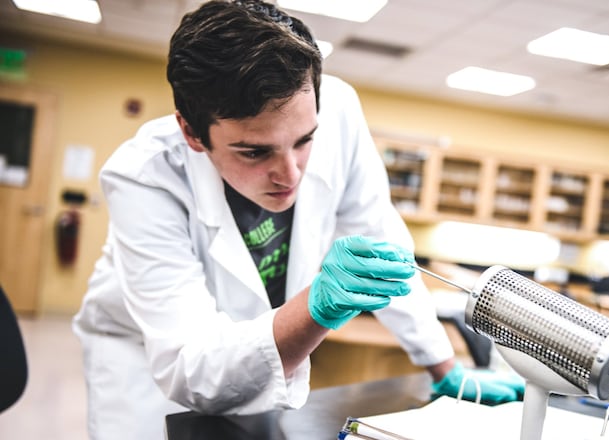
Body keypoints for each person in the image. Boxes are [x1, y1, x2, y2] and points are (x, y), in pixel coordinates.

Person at [72, 1, 523, 439]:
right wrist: (313, 310)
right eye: (254, 151)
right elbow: (191, 367)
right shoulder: (145, 177)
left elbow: (380, 243)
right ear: (192, 132)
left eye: (304, 141)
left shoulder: (338, 110)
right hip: (145, 356)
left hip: (257, 339)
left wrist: (445, 367)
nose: (291, 174)